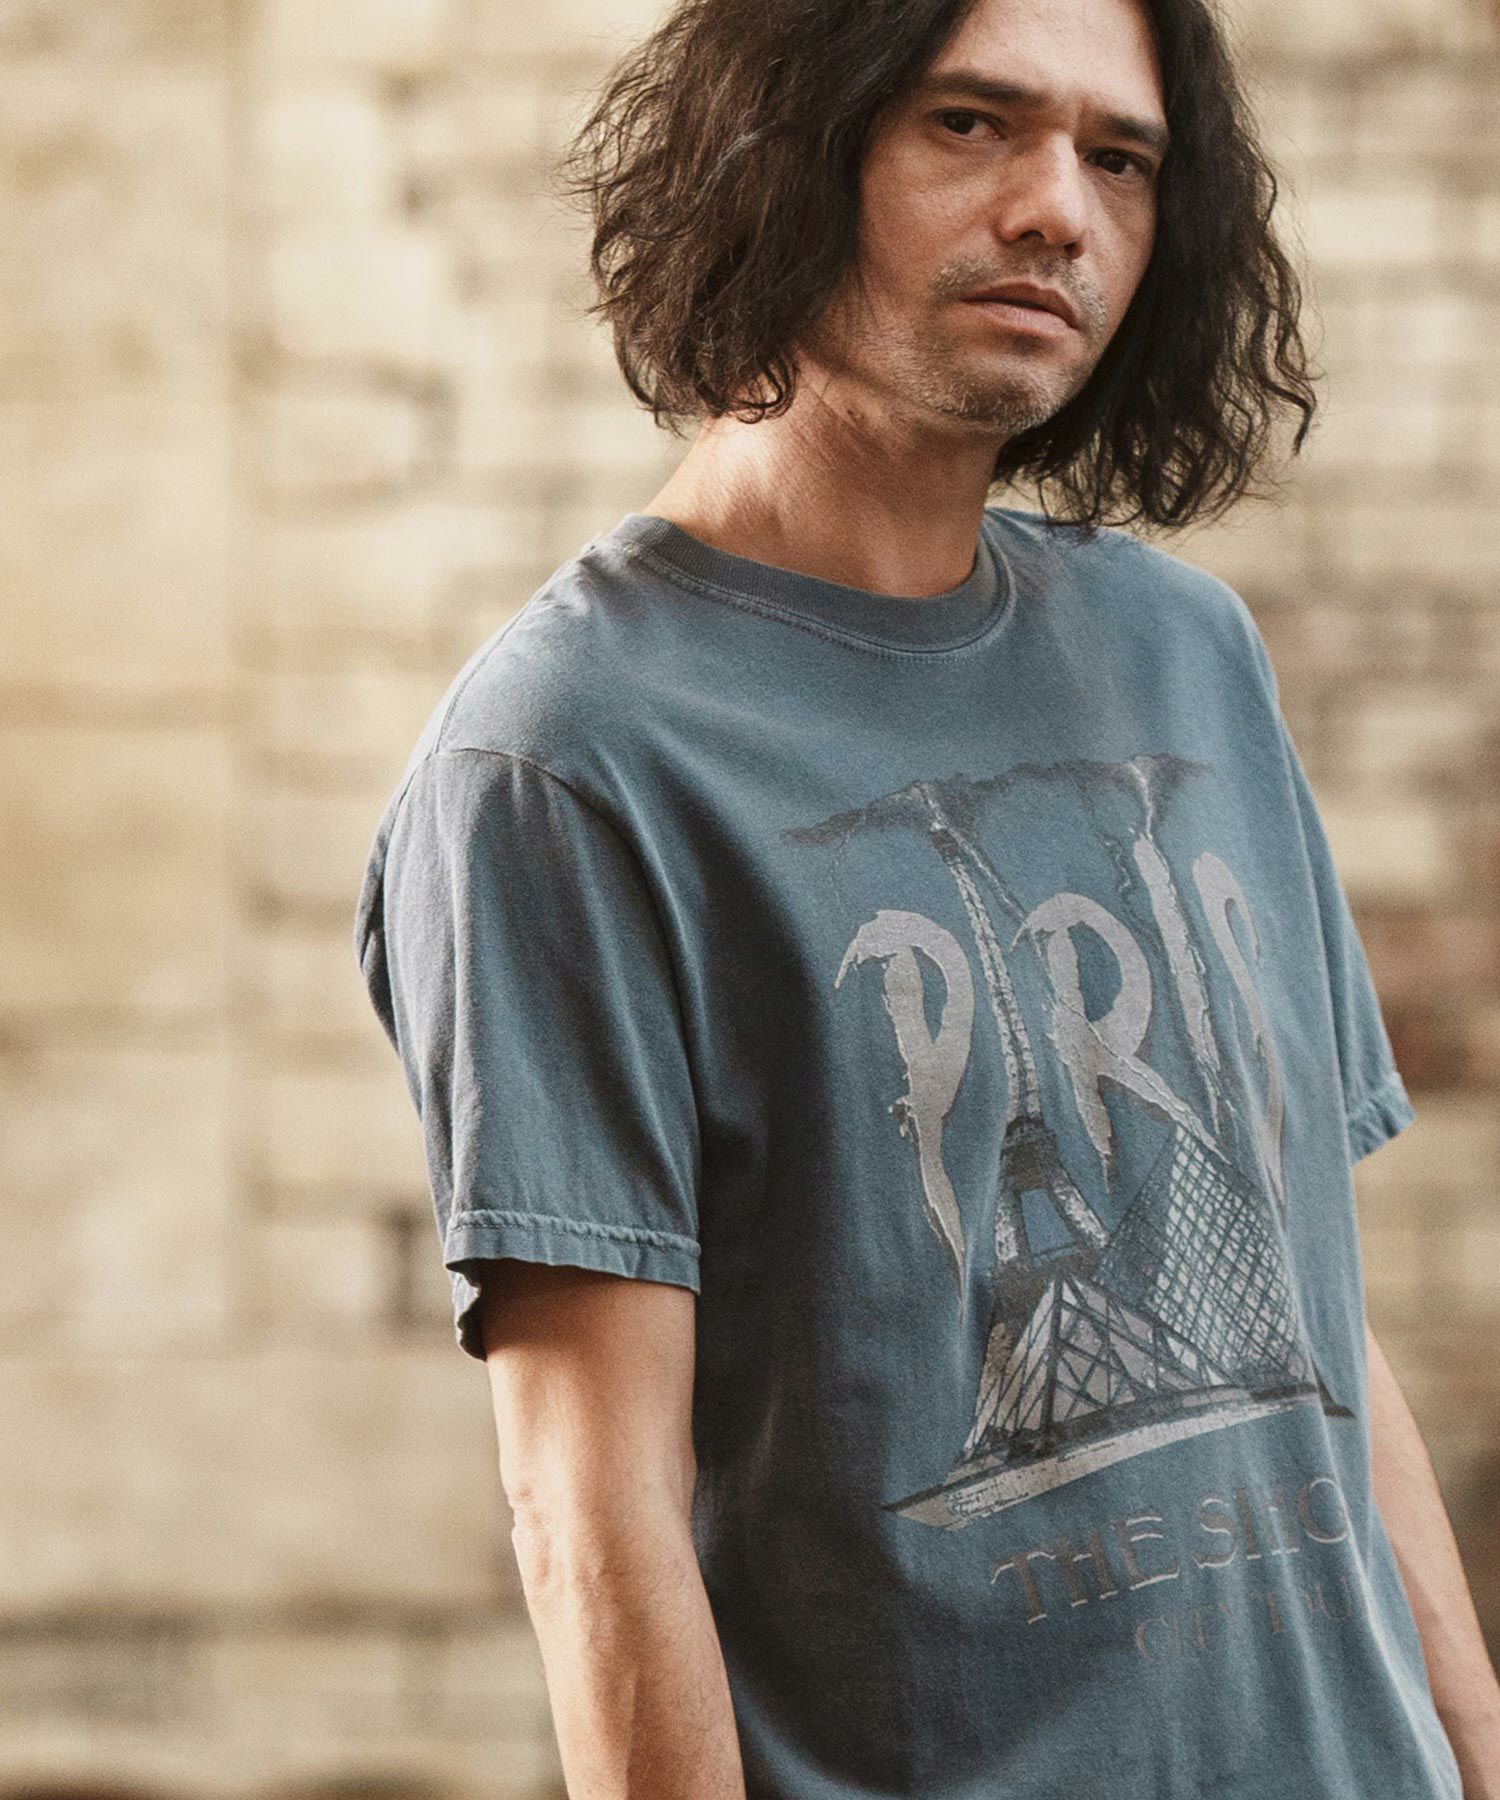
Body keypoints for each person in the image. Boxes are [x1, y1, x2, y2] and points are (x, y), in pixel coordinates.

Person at [352, 0, 1500, 1792]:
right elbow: (592, 1516)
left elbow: (1318, 1325)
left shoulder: (1185, 653)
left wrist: (1471, 1745)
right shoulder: (566, 759)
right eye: (971, 123)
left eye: (1121, 157)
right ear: (781, 150)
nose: (1058, 209)